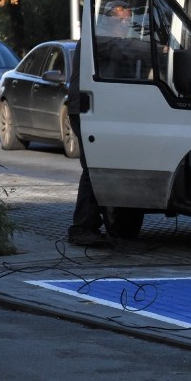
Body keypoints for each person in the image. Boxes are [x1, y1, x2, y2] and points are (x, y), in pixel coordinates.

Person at [66, 39, 111, 247]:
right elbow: (119, 47)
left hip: (84, 107)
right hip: (84, 109)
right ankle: (82, 227)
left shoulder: (98, 35)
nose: (123, 23)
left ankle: (90, 223)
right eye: (120, 17)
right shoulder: (97, 36)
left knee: (98, 166)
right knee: (93, 168)